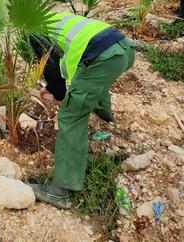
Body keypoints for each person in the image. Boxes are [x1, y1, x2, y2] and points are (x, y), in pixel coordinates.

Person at [26, 12, 136, 209]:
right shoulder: (54, 18)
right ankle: (104, 115)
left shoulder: (34, 32)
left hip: (103, 58)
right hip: (125, 49)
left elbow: (51, 68)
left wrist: (60, 98)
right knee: (95, 81)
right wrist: (52, 88)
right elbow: (64, 59)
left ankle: (59, 192)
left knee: (70, 117)